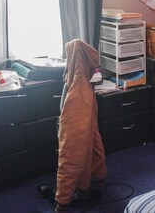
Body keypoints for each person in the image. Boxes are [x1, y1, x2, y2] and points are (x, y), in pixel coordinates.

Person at [54, 39, 107, 211]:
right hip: (85, 144)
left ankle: (66, 199)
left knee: (72, 152)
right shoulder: (83, 79)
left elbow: (72, 150)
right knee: (90, 143)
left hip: (73, 134)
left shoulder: (79, 88)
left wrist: (62, 199)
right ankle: (87, 186)